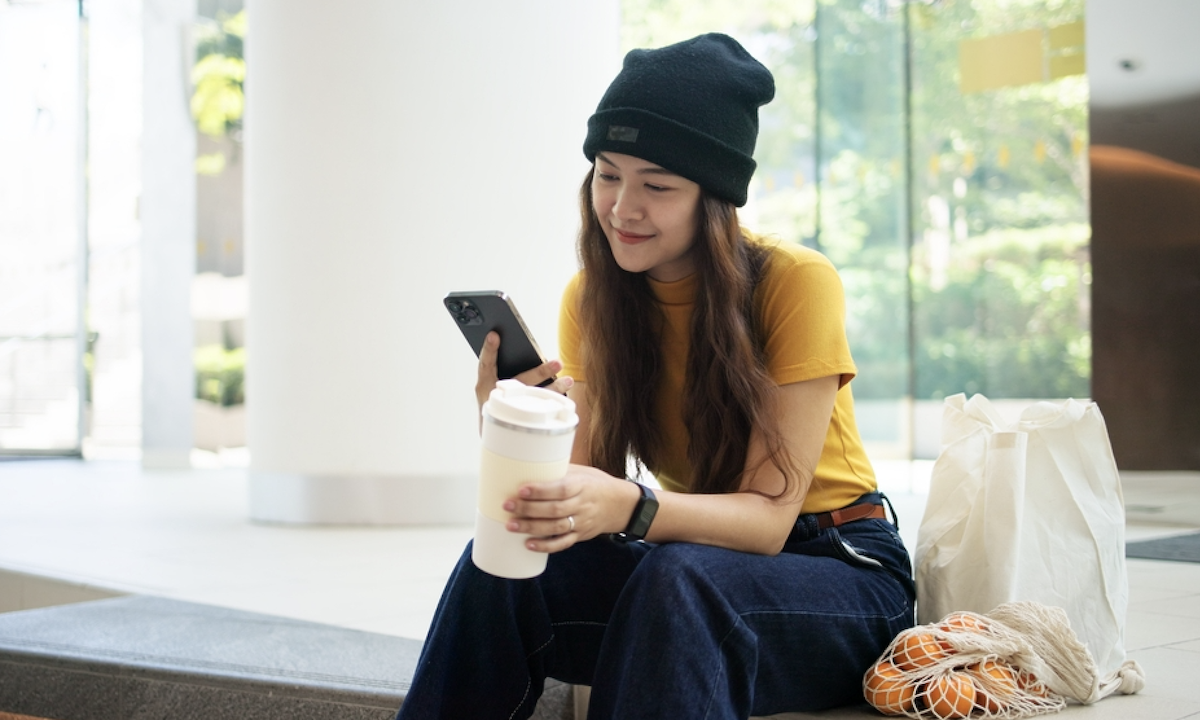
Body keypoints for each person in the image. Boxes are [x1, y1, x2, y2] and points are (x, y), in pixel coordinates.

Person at [396, 33, 915, 719]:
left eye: (658, 186)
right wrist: (515, 428)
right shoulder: (593, 299)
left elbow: (768, 521)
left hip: (839, 571)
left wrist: (633, 507)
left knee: (680, 578)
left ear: (714, 197)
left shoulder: (794, 282)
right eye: (608, 175)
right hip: (693, 567)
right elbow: (578, 493)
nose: (622, 208)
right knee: (505, 562)